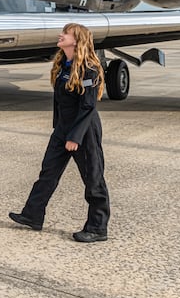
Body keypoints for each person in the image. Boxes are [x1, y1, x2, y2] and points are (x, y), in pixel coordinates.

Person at [9, 22, 110, 242]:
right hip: (63, 128)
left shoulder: (89, 69)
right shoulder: (63, 65)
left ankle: (97, 228)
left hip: (84, 131)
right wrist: (60, 130)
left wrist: (75, 136)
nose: (61, 35)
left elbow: (88, 106)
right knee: (48, 173)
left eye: (66, 33)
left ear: (77, 40)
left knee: (93, 179)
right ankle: (32, 215)